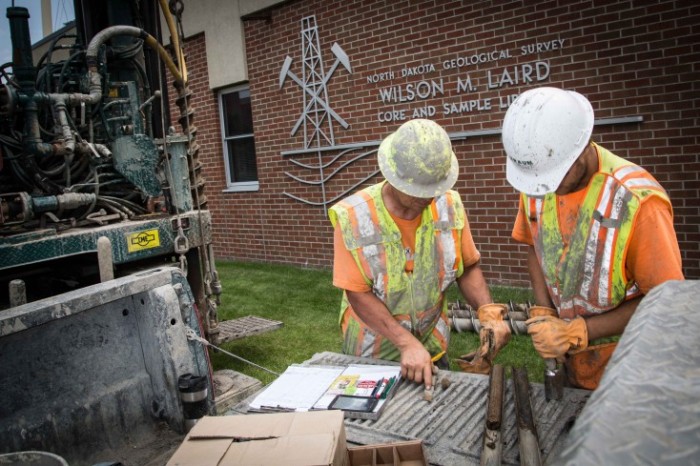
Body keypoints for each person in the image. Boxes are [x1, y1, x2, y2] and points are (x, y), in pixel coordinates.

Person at [503, 87, 684, 389]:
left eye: (557, 176)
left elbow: (666, 302)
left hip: (629, 367)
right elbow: (533, 247)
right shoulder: (540, 180)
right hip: (575, 364)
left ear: (581, 146)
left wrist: (578, 331)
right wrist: (546, 311)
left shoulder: (636, 201)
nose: (549, 188)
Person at [329, 119, 510, 389]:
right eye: (420, 192)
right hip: (373, 352)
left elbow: (468, 268)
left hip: (431, 344)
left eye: (435, 189)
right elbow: (357, 292)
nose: (430, 198)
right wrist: (405, 343)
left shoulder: (449, 205)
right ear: (394, 177)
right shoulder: (354, 217)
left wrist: (488, 313)